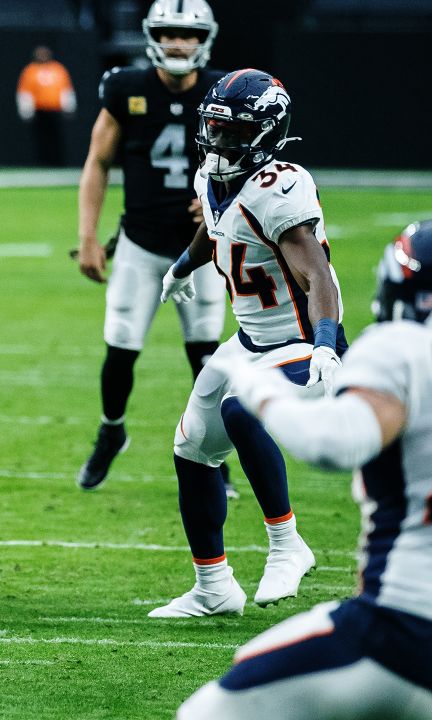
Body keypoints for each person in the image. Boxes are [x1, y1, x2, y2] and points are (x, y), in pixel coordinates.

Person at [175, 222, 432, 719]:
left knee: (206, 713)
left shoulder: (403, 348)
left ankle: (286, 546)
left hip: (401, 631)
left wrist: (258, 391)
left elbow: (331, 444)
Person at [150, 69, 343, 618]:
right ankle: (213, 587)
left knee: (242, 410)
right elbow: (215, 228)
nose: (217, 141)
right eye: (214, 126)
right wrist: (184, 267)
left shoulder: (278, 186)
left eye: (232, 132)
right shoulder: (213, 178)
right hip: (251, 339)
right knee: (191, 449)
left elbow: (318, 276)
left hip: (303, 341)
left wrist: (327, 344)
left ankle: (288, 545)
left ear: (266, 134)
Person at [76, 0, 231, 495]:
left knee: (206, 357)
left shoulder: (225, 91)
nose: (177, 43)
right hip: (140, 245)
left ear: (204, 37)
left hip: (202, 248)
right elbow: (98, 161)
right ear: (152, 36)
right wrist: (87, 237)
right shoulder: (127, 89)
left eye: (187, 34)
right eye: (168, 32)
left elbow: (252, 164)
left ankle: (213, 458)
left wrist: (217, 199)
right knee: (120, 349)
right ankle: (112, 429)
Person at [15, 45, 75, 167]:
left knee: (56, 138)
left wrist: (69, 105)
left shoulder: (58, 69)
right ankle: (43, 164)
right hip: (40, 109)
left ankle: (57, 163)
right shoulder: (30, 70)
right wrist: (26, 110)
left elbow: (65, 88)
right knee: (41, 139)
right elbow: (25, 92)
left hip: (55, 109)